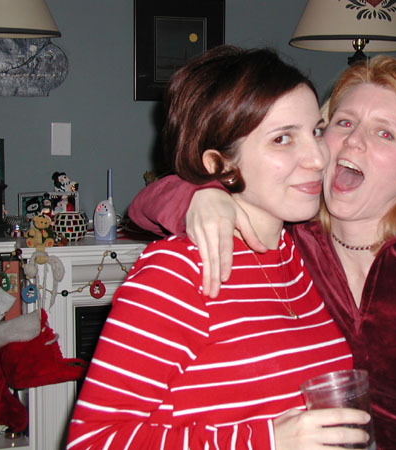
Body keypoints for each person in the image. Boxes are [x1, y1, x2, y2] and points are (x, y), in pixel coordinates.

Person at [128, 55, 396, 449]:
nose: (354, 141)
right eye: (344, 122)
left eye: (384, 132)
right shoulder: (290, 242)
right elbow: (144, 207)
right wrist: (199, 196)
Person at [66, 46, 372, 450]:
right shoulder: (179, 271)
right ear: (219, 164)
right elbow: (91, 441)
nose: (317, 158)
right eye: (282, 139)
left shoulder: (304, 254)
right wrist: (264, 441)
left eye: (316, 131)